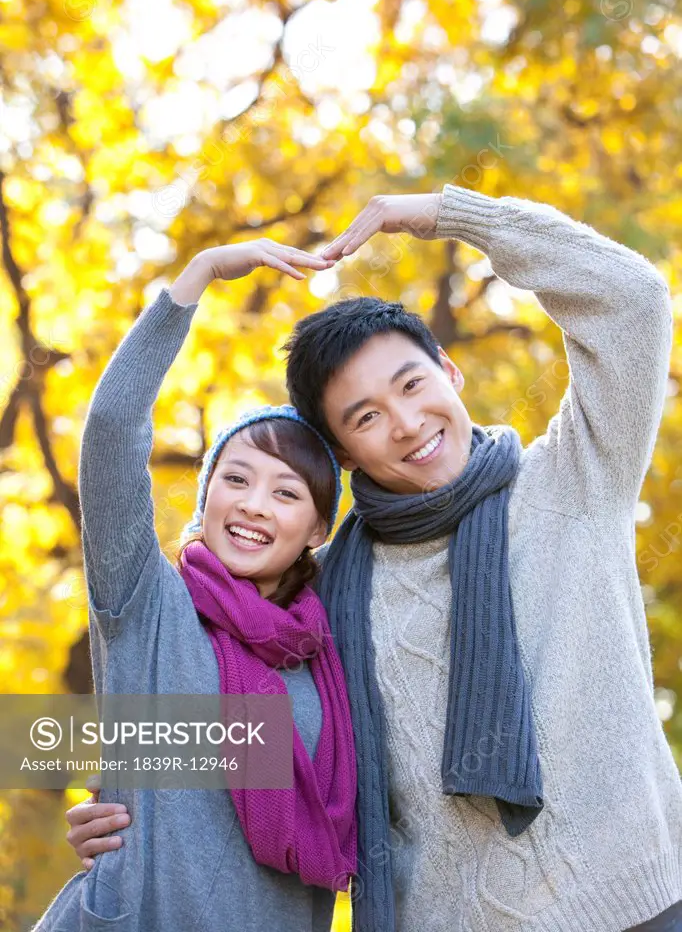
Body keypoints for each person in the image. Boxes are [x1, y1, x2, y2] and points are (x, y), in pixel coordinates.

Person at [64, 185, 682, 931]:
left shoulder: (577, 477)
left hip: (642, 902)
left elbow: (634, 299)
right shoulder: (323, 599)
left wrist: (447, 215)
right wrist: (110, 788)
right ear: (346, 456)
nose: (406, 423)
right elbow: (232, 729)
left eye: (412, 385)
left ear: (449, 372)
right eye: (365, 418)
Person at [32, 241, 357, 932]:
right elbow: (114, 431)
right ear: (207, 497)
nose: (253, 505)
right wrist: (199, 276)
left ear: (318, 529)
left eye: (286, 492)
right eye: (235, 479)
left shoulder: (330, 648)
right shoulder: (146, 604)